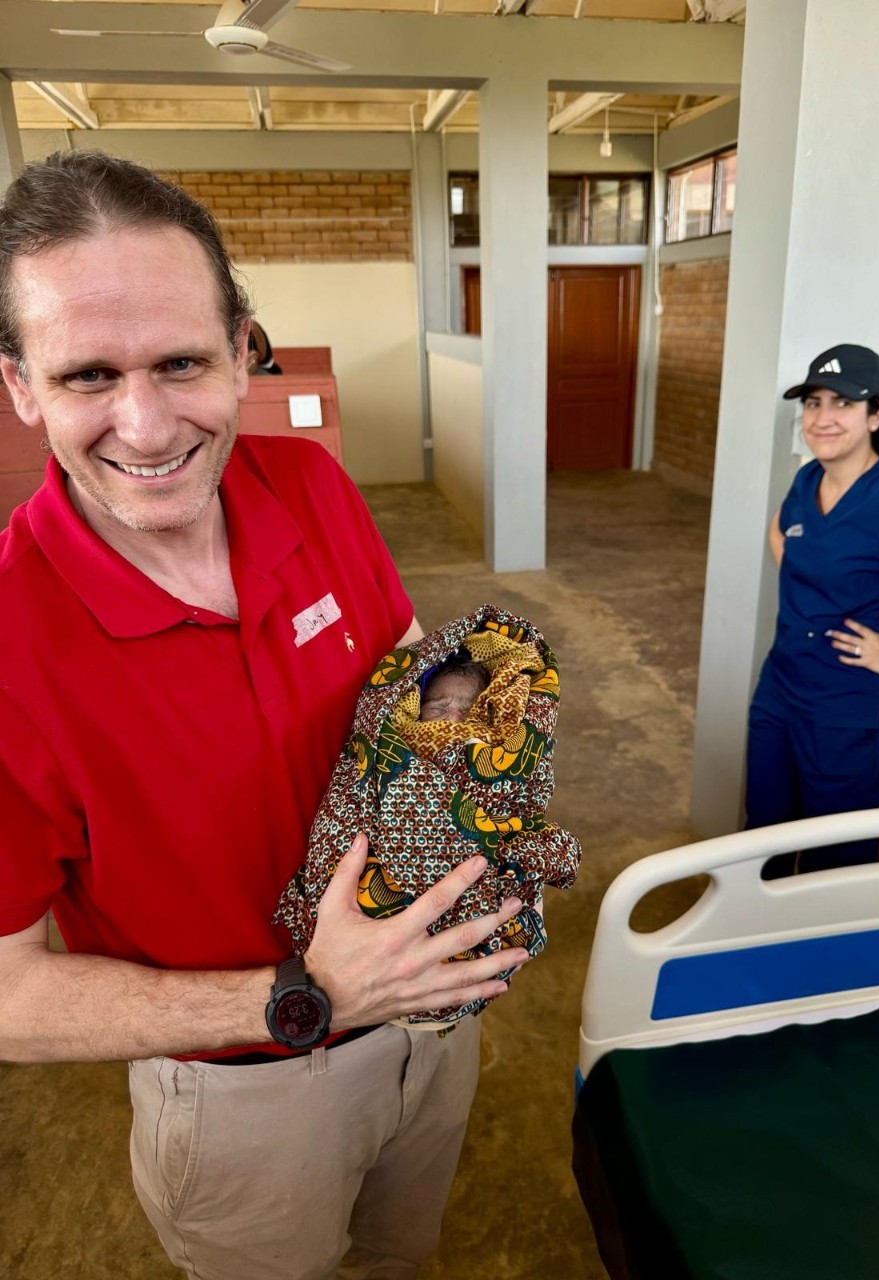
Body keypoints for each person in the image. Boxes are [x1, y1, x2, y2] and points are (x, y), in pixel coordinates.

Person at [0, 151, 531, 1280]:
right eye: (88, 374)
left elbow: (401, 684)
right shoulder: (9, 641)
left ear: (243, 347)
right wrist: (306, 993)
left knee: (404, 1256)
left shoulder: (311, 487)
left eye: (181, 361)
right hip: (247, 1090)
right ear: (19, 387)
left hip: (435, 1025)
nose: (145, 427)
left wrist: (476, 795)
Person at [273, 606, 582, 1027]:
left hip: (462, 976)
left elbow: (526, 813)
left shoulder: (502, 753)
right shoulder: (387, 750)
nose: (453, 719)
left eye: (468, 709)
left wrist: (514, 855)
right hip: (328, 991)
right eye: (437, 707)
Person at [745, 343, 879, 877]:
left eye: (842, 404)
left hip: (850, 709)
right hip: (783, 685)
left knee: (832, 860)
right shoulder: (808, 480)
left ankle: (813, 958)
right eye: (813, 403)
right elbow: (781, 530)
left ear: (875, 416)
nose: (822, 418)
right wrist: (809, 596)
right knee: (761, 838)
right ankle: (754, 947)